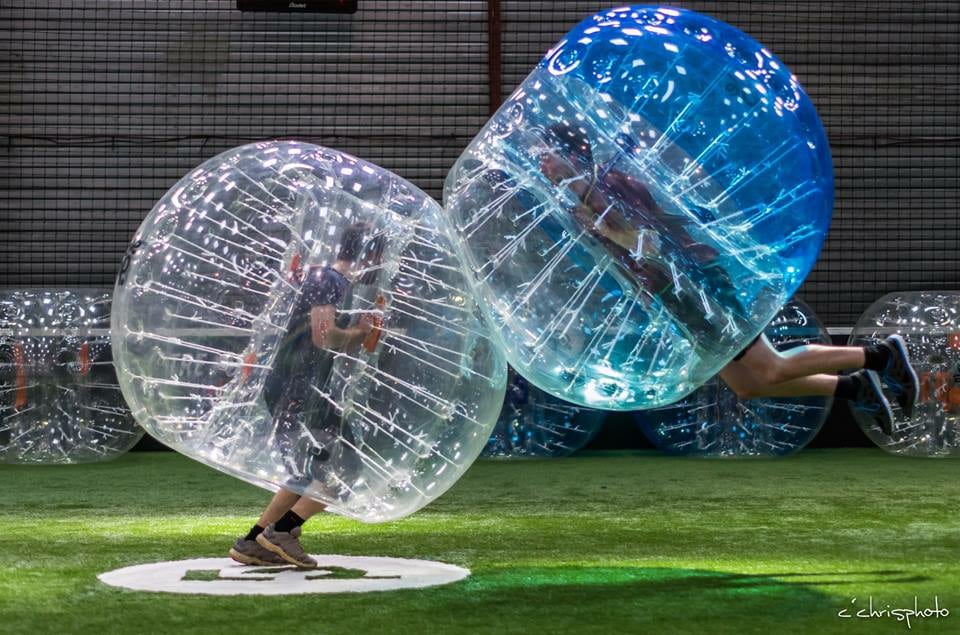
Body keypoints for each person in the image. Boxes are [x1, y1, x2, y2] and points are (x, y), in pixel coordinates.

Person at [538, 121, 919, 434]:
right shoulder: (586, 197)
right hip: (676, 295)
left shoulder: (607, 189)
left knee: (770, 367)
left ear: (570, 155)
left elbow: (651, 243)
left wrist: (602, 229)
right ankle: (853, 387)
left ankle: (882, 356)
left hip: (697, 283)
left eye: (547, 153)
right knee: (747, 384)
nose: (541, 161)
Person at [229, 222, 384, 569]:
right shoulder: (328, 280)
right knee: (348, 471)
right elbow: (323, 336)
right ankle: (283, 532)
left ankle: (252, 543)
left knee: (303, 472)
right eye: (379, 259)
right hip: (299, 391)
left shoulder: (331, 283)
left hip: (294, 388)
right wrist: (360, 333)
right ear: (368, 255)